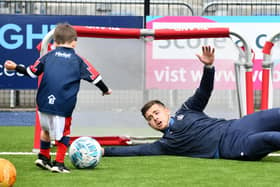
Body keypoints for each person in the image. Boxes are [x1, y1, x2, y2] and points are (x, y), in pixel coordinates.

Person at [103, 45, 280, 161]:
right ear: (150, 125)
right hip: (232, 147)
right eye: (150, 118)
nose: (155, 118)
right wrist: (104, 151)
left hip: (237, 125)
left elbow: (204, 91)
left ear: (166, 110)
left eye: (156, 112)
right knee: (270, 138)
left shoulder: (187, 110)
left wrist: (208, 67)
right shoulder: (166, 145)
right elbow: (136, 151)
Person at [5, 23, 112, 173]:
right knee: (64, 134)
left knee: (45, 130)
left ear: (54, 41)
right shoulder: (78, 60)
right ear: (75, 41)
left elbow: (31, 72)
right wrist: (105, 90)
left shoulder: (47, 56)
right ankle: (59, 164)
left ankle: (43, 157)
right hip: (63, 104)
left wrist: (15, 67)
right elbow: (95, 77)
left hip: (42, 103)